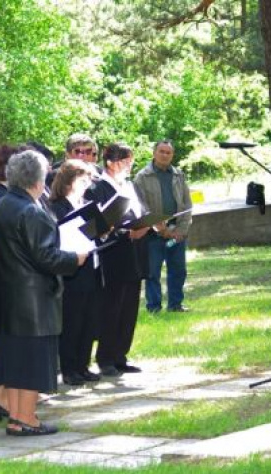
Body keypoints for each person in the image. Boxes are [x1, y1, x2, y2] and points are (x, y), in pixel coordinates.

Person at [0, 150, 87, 437]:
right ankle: (26, 418)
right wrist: (75, 258)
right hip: (33, 301)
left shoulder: (2, 204)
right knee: (31, 362)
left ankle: (17, 416)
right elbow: (46, 257)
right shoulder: (31, 211)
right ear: (39, 180)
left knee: (16, 363)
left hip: (8, 296)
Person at [86, 144, 150, 376]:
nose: (129, 166)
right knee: (111, 307)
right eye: (125, 162)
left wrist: (146, 223)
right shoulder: (96, 188)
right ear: (110, 163)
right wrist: (123, 231)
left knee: (129, 307)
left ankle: (121, 355)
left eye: (131, 161)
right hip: (112, 253)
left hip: (134, 251)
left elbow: (140, 211)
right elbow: (95, 224)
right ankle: (106, 357)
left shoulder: (130, 185)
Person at [48, 160, 102, 384]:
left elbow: (96, 234)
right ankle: (69, 369)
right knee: (72, 320)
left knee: (89, 319)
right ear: (68, 181)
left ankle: (83, 365)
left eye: (89, 179)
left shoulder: (87, 204)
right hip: (71, 268)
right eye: (82, 179)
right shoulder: (57, 206)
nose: (87, 183)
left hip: (91, 265)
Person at [134, 140, 193, 313]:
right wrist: (162, 229)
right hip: (153, 234)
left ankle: (175, 305)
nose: (165, 155)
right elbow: (141, 207)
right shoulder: (142, 177)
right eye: (161, 151)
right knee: (153, 273)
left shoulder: (179, 175)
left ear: (172, 155)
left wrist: (181, 230)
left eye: (168, 152)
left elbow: (187, 204)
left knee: (178, 270)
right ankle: (154, 307)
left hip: (177, 233)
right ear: (154, 153)